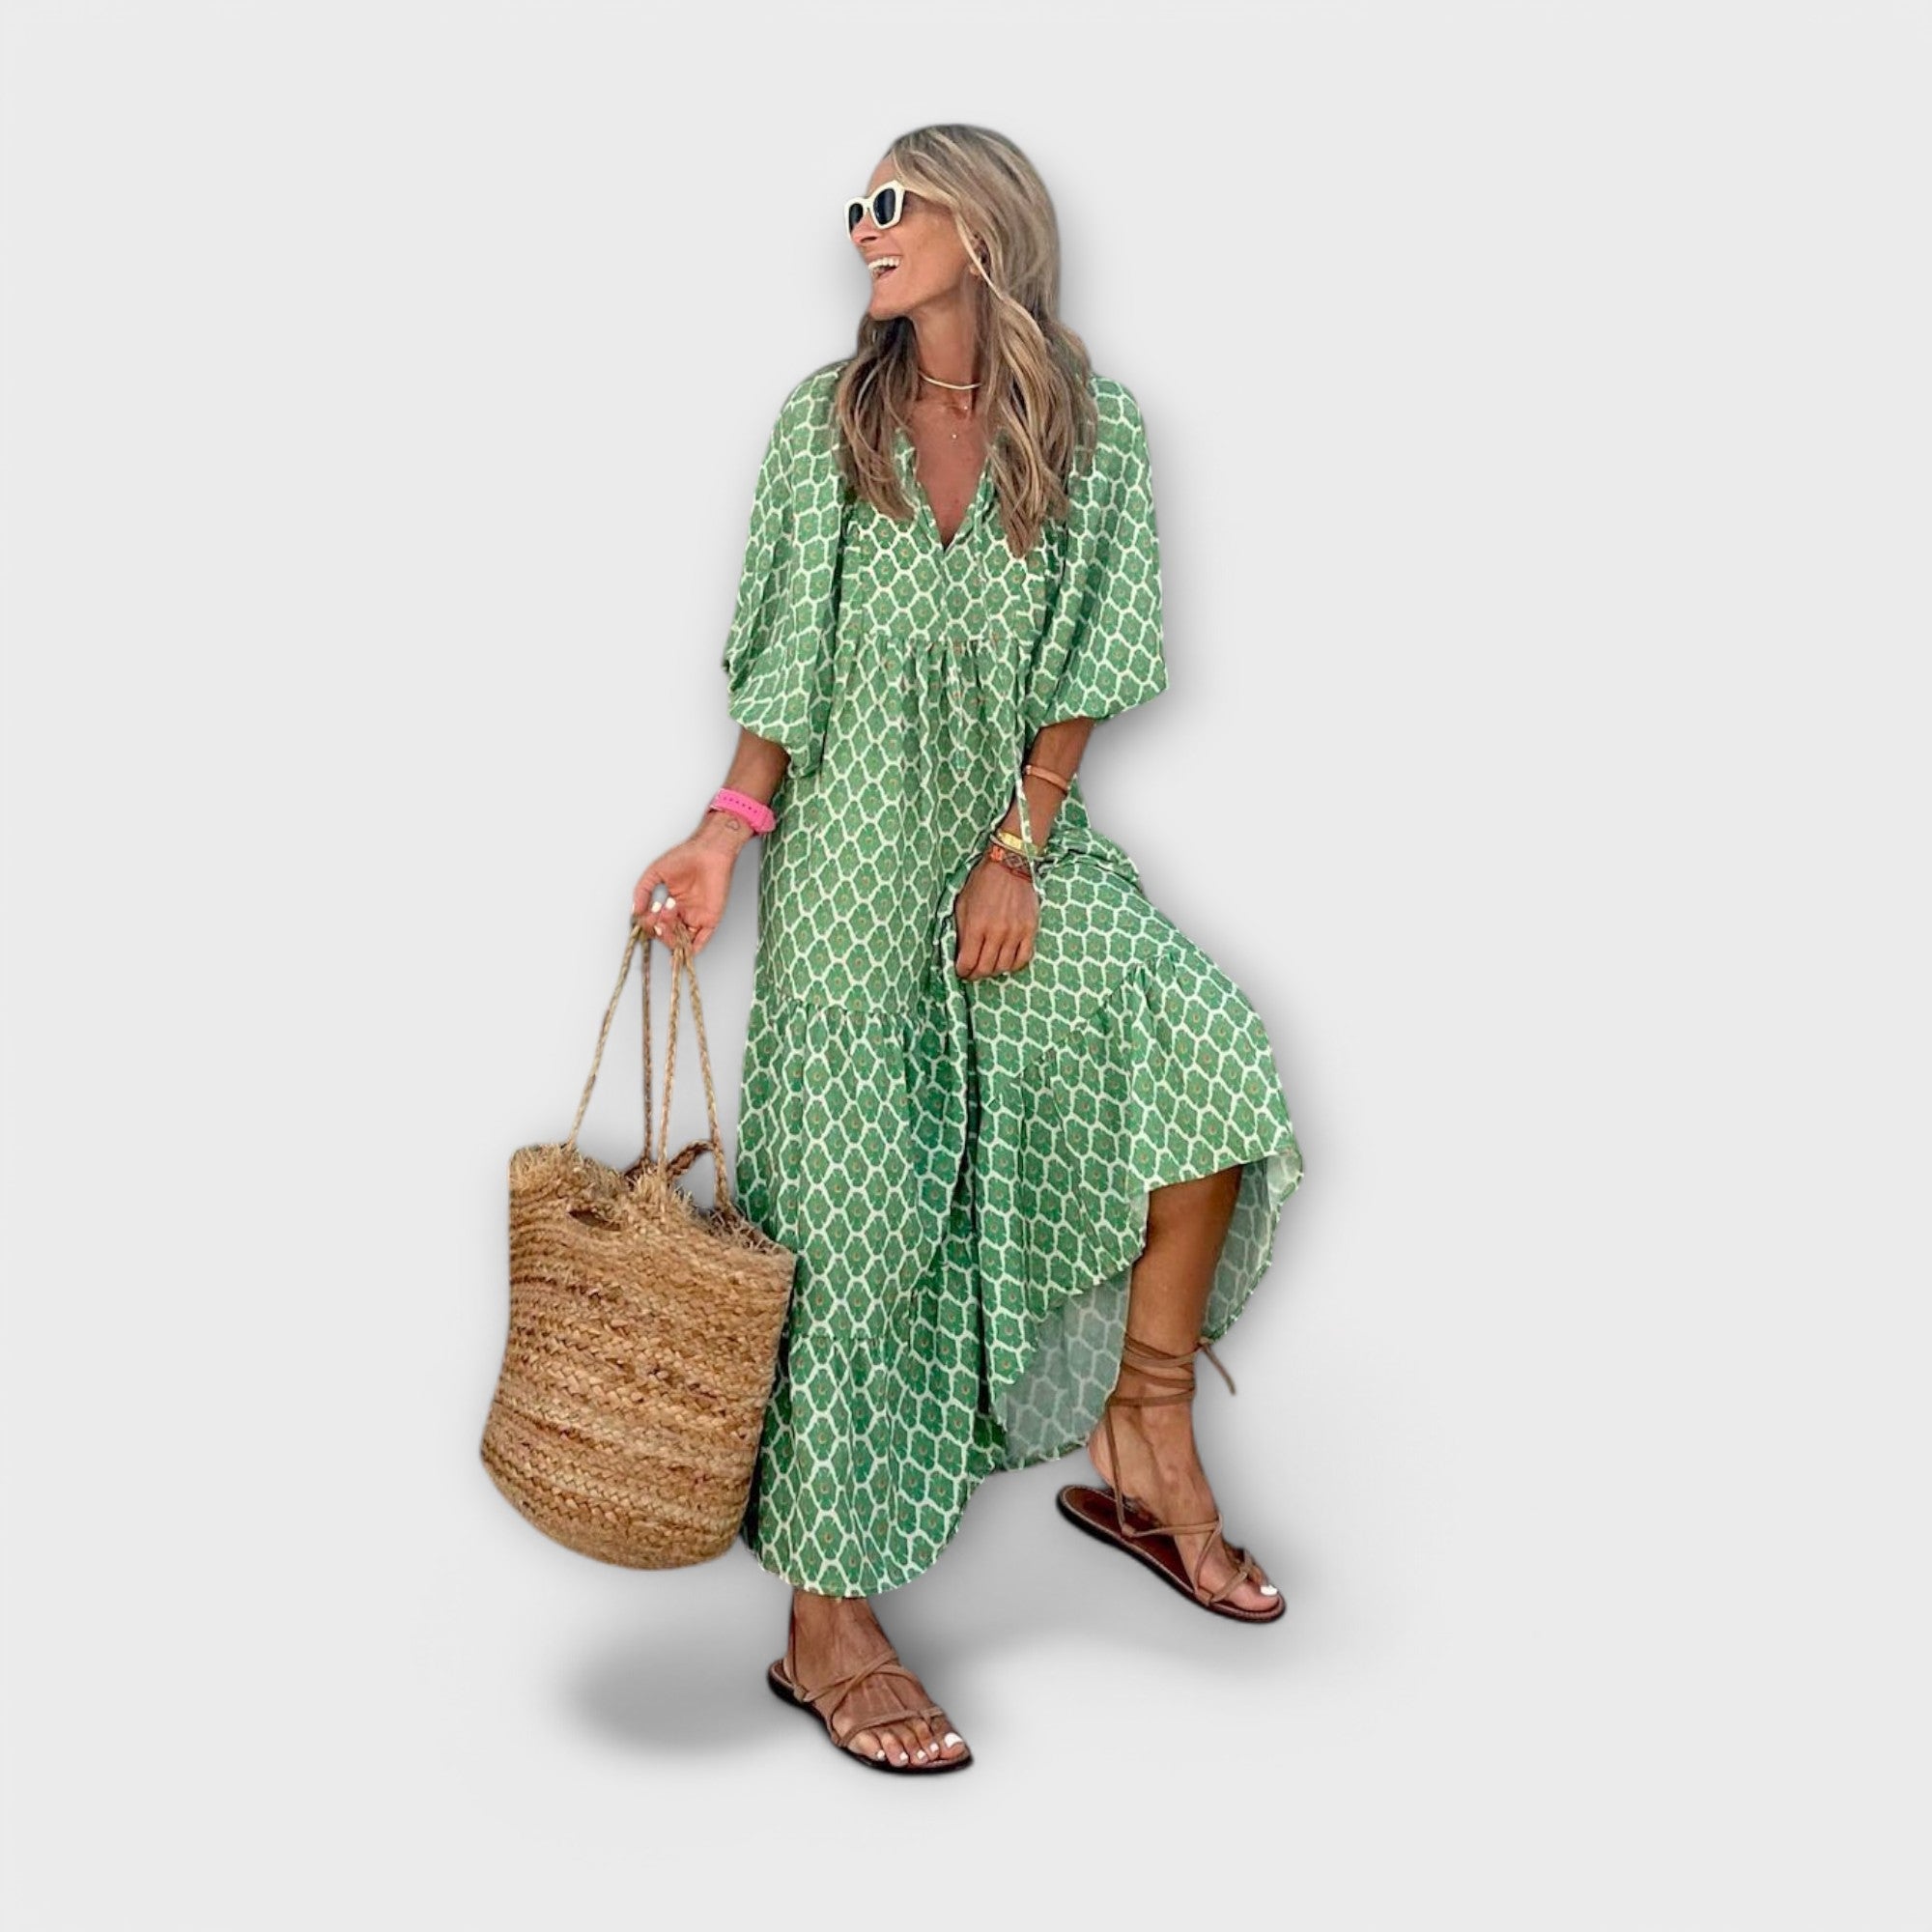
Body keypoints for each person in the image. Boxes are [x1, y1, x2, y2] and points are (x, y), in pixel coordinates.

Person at [631, 124, 1304, 1775]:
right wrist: (722, 833)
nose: (864, 228)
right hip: (852, 869)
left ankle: (1146, 1431)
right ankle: (826, 1617)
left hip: (1012, 840)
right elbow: (783, 673)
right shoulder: (829, 422)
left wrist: (1017, 850)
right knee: (854, 1218)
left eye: (894, 203)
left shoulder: (1090, 426)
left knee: (1199, 1050)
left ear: (984, 225)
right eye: (859, 208)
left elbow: (1092, 657)